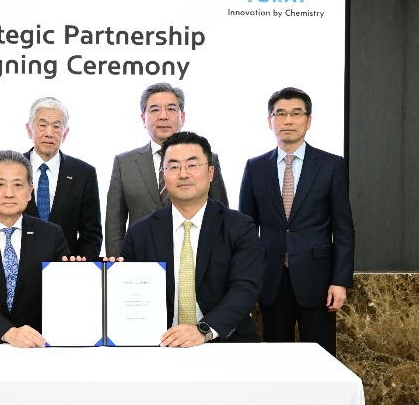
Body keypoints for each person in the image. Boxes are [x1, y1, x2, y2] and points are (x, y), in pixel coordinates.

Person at [238, 87, 355, 356]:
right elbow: (245, 229)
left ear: (308, 120)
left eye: (295, 113)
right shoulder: (255, 167)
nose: (288, 120)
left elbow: (344, 229)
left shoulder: (331, 165)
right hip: (271, 282)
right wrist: (246, 279)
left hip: (318, 282)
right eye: (280, 113)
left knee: (322, 358)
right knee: (277, 360)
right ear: (270, 121)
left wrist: (340, 281)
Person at [118, 131, 263, 346]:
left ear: (211, 172)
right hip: (160, 344)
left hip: (225, 343)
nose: (183, 174)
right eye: (174, 166)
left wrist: (202, 330)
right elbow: (129, 297)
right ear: (163, 175)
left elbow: (245, 290)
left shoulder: (240, 227)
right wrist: (114, 279)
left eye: (192, 165)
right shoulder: (139, 232)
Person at [0, 150, 78, 347]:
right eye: (0, 184)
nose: (9, 193)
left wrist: (77, 274)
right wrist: (9, 333)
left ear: (30, 191)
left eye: (18, 185)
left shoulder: (52, 235)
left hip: (37, 342)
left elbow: (62, 295)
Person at [105, 82, 228, 256]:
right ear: (143, 119)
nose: (163, 116)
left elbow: (221, 215)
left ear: (182, 117)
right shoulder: (124, 163)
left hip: (196, 258)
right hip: (142, 262)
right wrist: (118, 268)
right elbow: (114, 226)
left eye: (171, 109)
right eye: (154, 110)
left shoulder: (207, 158)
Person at [22, 97, 102, 260]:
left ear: (65, 133)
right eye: (42, 125)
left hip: (66, 271)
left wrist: (79, 268)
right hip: (17, 271)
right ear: (29, 130)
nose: (49, 133)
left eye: (57, 126)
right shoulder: (10, 169)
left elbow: (91, 233)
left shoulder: (84, 173)